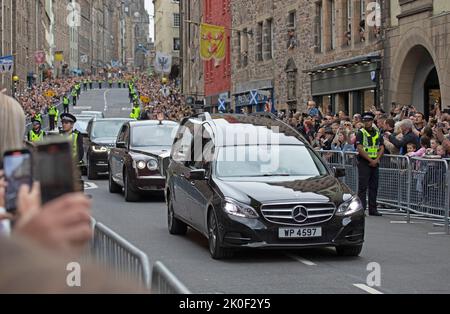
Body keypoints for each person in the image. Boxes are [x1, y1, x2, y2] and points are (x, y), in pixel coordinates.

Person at [355, 112, 384, 217]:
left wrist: (376, 159)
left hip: (375, 162)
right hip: (364, 162)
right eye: (365, 121)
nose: (367, 122)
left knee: (374, 186)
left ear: (372, 121)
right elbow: (360, 148)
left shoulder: (377, 132)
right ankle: (362, 209)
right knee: (362, 187)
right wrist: (370, 160)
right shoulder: (361, 133)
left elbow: (381, 147)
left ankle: (373, 209)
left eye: (369, 120)